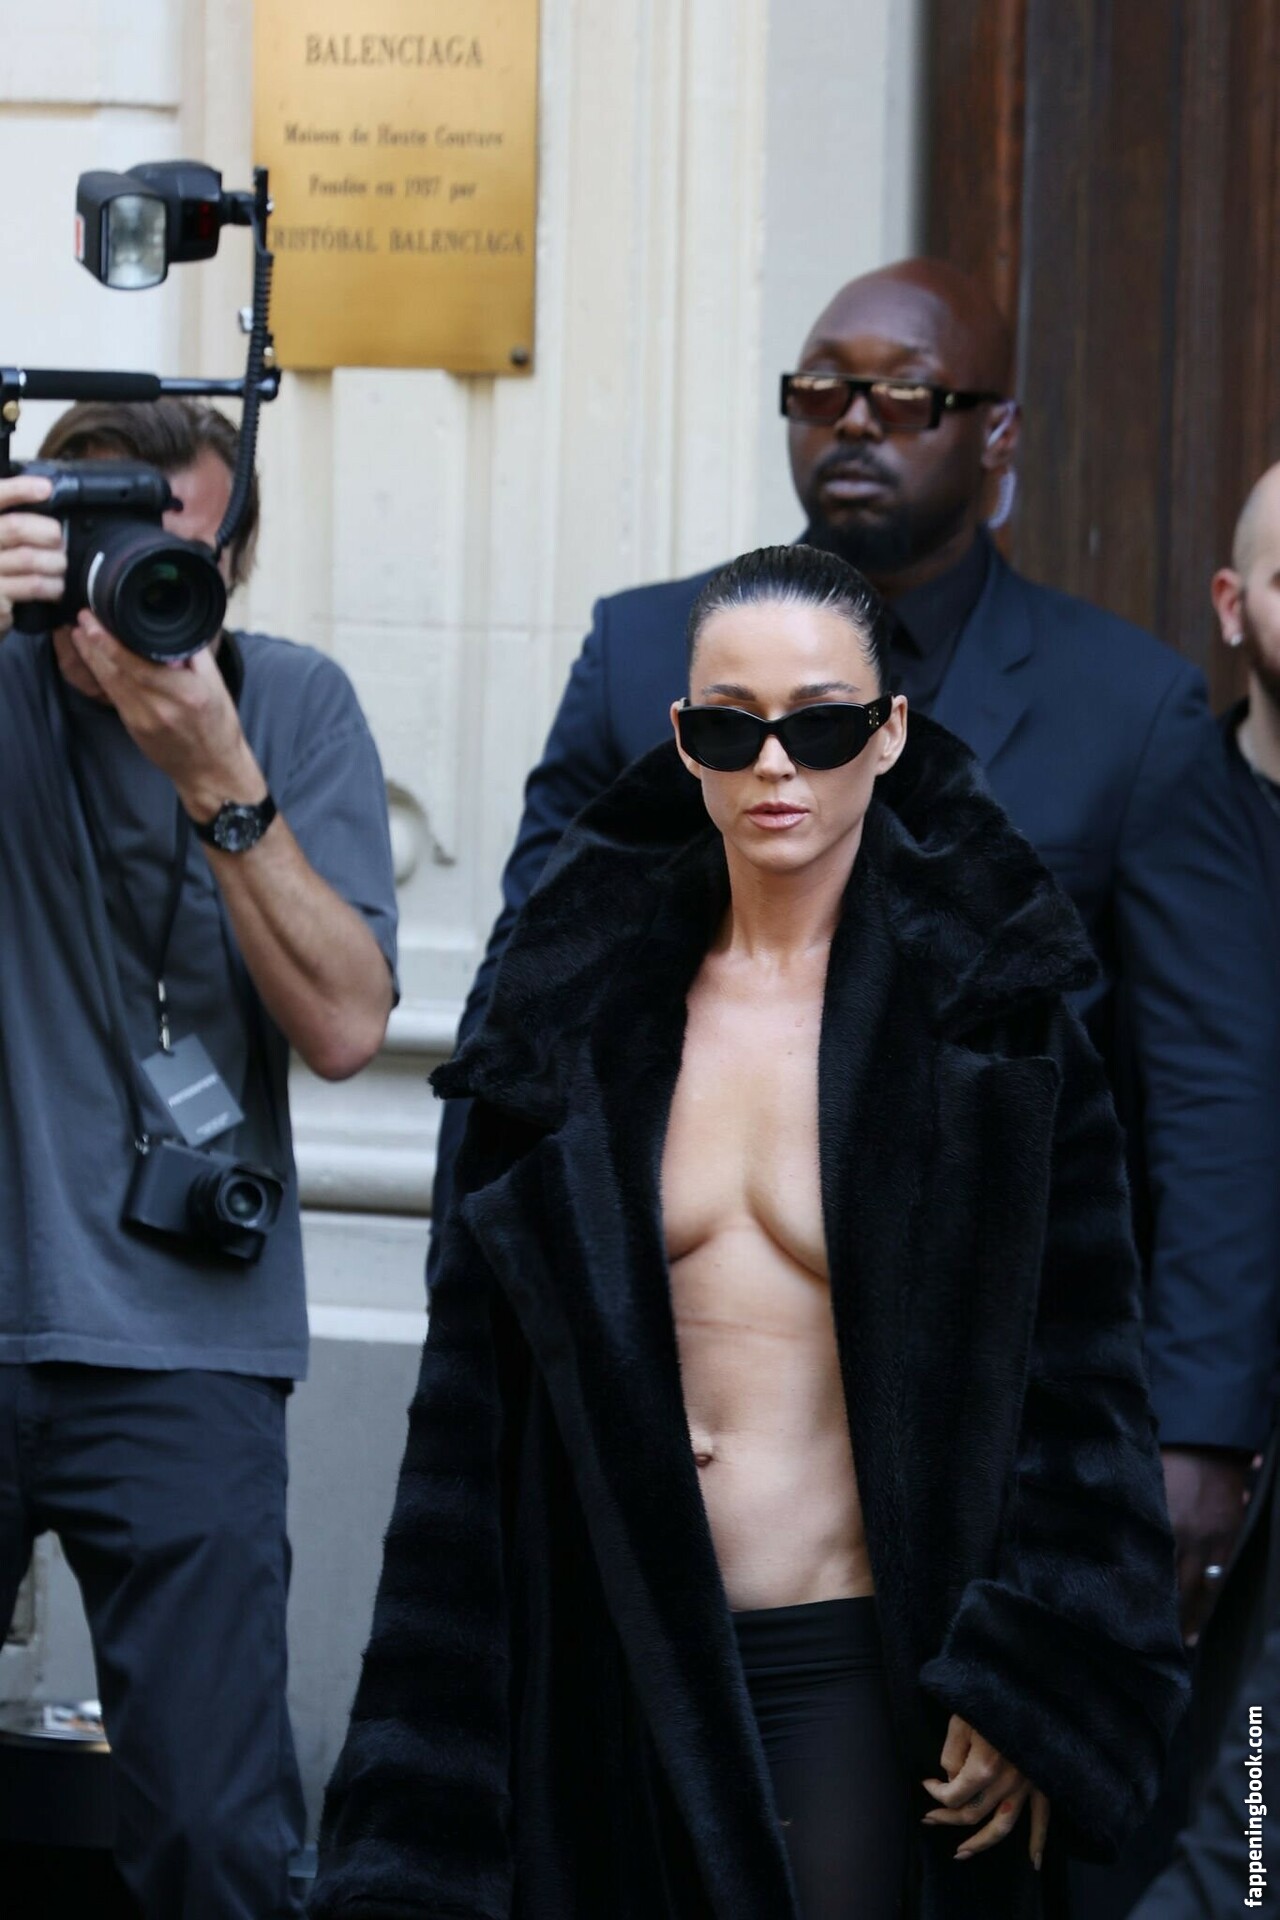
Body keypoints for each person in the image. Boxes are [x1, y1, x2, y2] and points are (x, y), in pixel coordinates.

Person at [312, 545, 1187, 1920]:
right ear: (685, 741)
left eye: (821, 724)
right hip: (603, 1668)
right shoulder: (563, 1021)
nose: (777, 764)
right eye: (733, 727)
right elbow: (466, 1420)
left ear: (889, 733)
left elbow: (1084, 1377)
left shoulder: (996, 1025)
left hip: (859, 1660)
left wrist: (1045, 1658)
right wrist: (424, 1775)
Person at [432, 259, 1280, 1648]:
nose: (857, 421)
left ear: (997, 433)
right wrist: (480, 1371)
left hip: (996, 1406)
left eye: (908, 396)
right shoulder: (647, 658)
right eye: (823, 390)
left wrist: (1198, 1426)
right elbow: (517, 1041)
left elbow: (1210, 1091)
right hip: (666, 1409)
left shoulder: (1130, 710)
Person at [0, 397, 398, 1918]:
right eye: (99, 534)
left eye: (178, 544)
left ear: (238, 557)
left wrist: (217, 773)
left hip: (185, 1345)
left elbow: (348, 1023)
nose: (131, 575)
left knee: (221, 1836)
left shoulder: (289, 704)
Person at [1124, 464, 1280, 1919]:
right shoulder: (1179, 814)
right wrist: (1202, 1427)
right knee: (1243, 1833)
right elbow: (1206, 1123)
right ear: (1233, 605)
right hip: (1226, 1430)